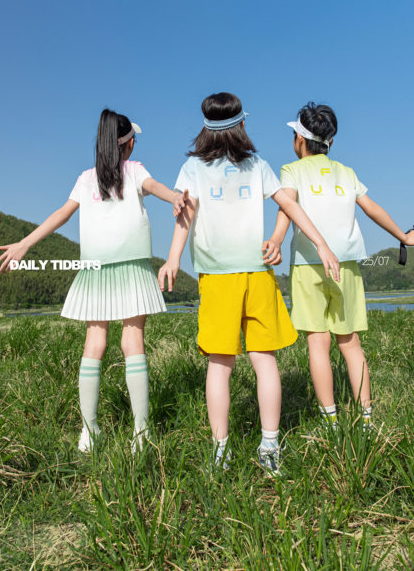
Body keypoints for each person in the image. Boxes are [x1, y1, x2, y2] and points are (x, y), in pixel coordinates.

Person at [158, 92, 340, 476]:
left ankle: (221, 451)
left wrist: (174, 258)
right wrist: (321, 243)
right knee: (264, 360)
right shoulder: (257, 164)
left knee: (219, 365)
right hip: (257, 274)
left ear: (206, 129)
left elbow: (184, 215)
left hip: (217, 278)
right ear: (242, 124)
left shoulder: (193, 168)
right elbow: (289, 206)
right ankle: (270, 445)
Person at [0, 108, 188, 453]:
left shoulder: (86, 179)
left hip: (94, 269)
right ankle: (141, 433)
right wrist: (175, 197)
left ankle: (89, 432)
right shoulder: (134, 170)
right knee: (133, 343)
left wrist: (25, 244)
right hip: (132, 266)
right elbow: (155, 187)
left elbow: (61, 214)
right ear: (128, 144)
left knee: (94, 345)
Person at [271, 102, 414, 434]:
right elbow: (371, 208)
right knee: (350, 343)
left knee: (318, 343)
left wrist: (276, 239)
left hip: (308, 264)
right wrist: (403, 236)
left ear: (299, 139)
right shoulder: (346, 172)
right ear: (330, 141)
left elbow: (286, 206)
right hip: (346, 265)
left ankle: (330, 421)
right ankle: (367, 420)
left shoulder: (291, 170)